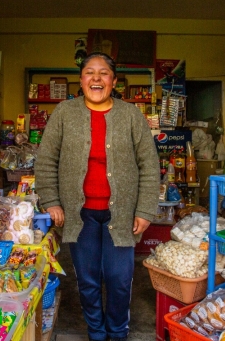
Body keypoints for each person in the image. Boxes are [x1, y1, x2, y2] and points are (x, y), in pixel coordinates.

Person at [35, 52, 160, 341]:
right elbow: (46, 160)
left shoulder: (130, 115)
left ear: (114, 81)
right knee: (88, 281)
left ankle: (117, 333)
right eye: (90, 73)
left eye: (103, 73)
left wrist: (144, 210)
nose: (96, 78)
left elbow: (149, 165)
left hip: (123, 214)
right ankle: (96, 333)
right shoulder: (65, 113)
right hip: (81, 215)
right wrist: (52, 201)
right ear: (81, 80)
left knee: (119, 280)